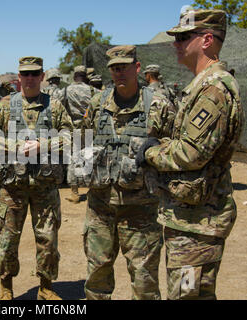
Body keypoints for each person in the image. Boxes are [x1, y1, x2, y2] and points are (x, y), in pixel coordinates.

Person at [137, 9, 244, 300]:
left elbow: (191, 153)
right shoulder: (202, 85)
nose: (176, 44)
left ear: (207, 39)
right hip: (190, 217)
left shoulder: (213, 89)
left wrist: (152, 153)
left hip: (199, 222)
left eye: (184, 38)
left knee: (187, 296)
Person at [82, 45, 176, 300]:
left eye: (124, 67)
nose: (119, 73)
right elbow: (83, 139)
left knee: (144, 280)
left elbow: (177, 148)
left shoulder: (158, 105)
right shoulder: (97, 104)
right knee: (96, 277)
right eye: (114, 68)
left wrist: (158, 148)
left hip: (142, 210)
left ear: (137, 68)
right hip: (100, 207)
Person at [0, 56, 73, 300]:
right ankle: (6, 289)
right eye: (25, 74)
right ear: (19, 77)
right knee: (6, 242)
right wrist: (14, 146)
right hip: (12, 189)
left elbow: (70, 138)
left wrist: (43, 145)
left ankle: (46, 287)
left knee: (48, 241)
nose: (29, 78)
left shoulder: (54, 106)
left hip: (44, 187)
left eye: (34, 73)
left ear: (42, 76)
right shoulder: (5, 105)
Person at [61, 65, 94, 203]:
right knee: (90, 158)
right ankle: (92, 190)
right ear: (85, 76)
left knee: (74, 159)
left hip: (73, 128)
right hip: (88, 128)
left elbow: (61, 106)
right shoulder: (92, 90)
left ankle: (74, 193)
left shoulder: (67, 90)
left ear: (74, 76)